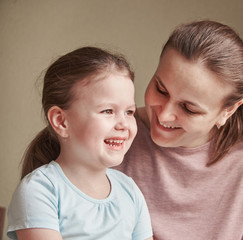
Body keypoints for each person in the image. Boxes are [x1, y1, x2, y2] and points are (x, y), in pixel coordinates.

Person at [115, 20, 243, 239]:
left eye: (189, 108)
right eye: (161, 90)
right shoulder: (110, 133)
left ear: (227, 112)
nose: (164, 115)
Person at [7, 47, 153, 240]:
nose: (124, 124)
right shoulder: (39, 190)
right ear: (61, 121)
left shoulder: (130, 190)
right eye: (108, 111)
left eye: (129, 112)